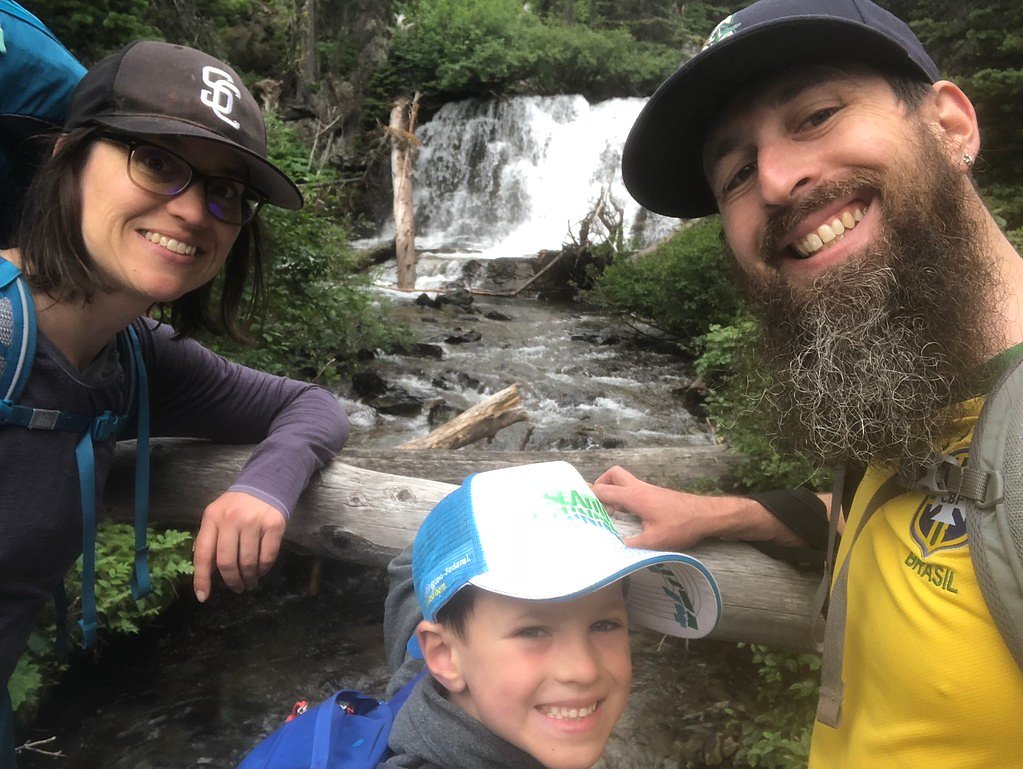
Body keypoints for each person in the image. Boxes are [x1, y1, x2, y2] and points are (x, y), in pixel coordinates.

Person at [591, 0, 1023, 766]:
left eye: (817, 115)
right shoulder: (912, 392)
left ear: (950, 125)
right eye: (734, 174)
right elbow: (922, 519)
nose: (778, 180)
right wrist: (720, 513)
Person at [0, 39, 347, 756]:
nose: (194, 211)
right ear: (67, 156)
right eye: (157, 161)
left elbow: (311, 405)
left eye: (226, 193)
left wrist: (267, 483)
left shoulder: (135, 353)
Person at [379, 460, 721, 769]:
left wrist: (543, 502)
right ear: (442, 655)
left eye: (605, 624)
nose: (583, 671)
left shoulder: (421, 667)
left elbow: (408, 571)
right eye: (533, 631)